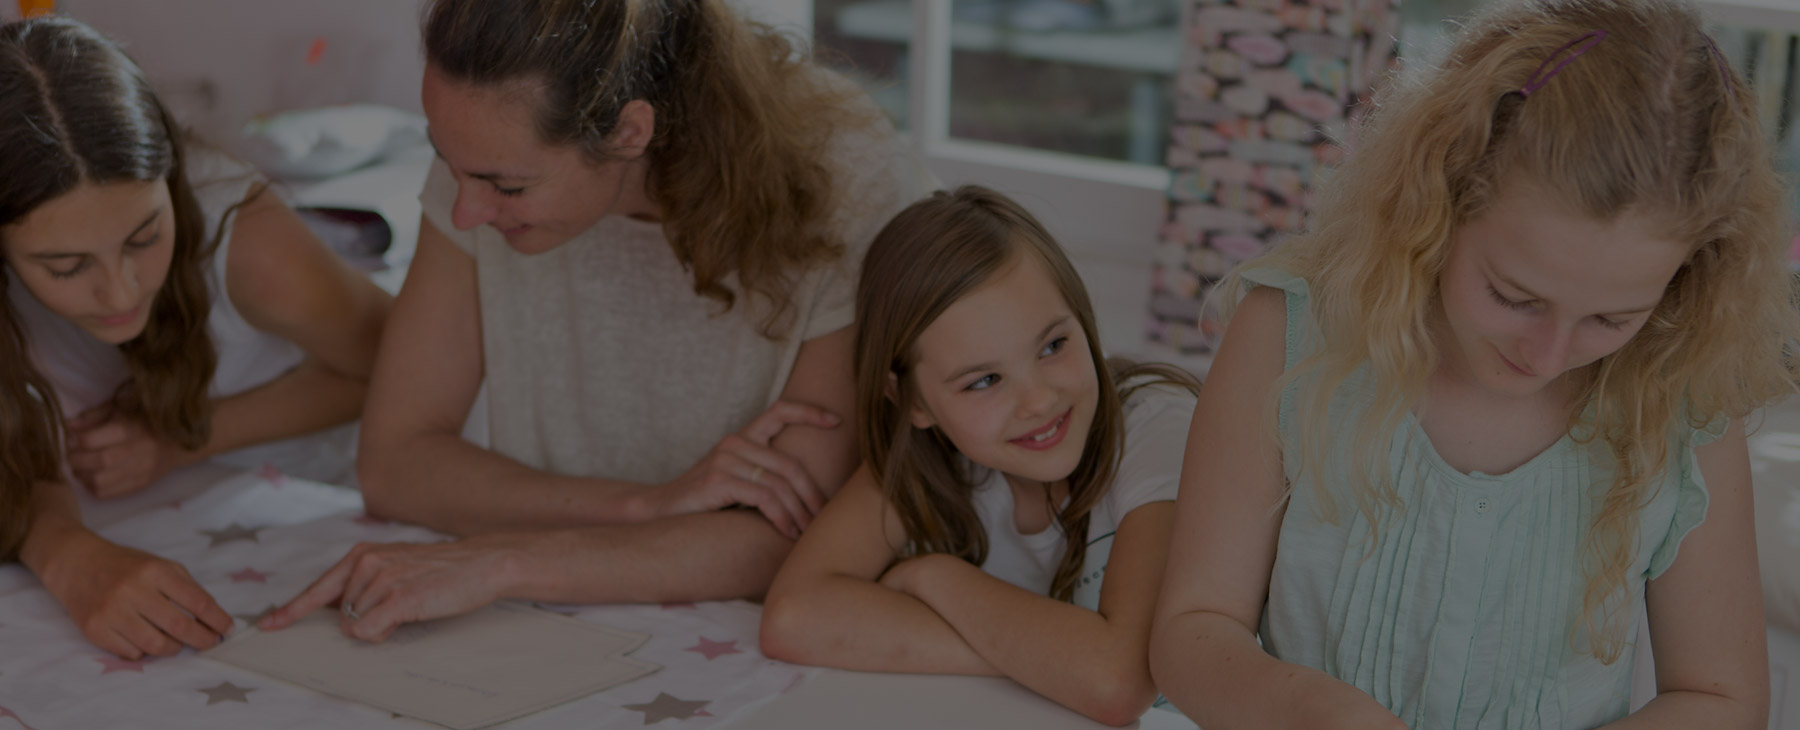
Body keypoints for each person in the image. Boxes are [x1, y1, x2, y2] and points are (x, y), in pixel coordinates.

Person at [1149, 1, 1797, 728]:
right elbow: (1192, 632)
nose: (1547, 355)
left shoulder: (1682, 402)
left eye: (1612, 319)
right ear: (1441, 200)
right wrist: (1312, 712)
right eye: (1513, 295)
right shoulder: (1290, 335)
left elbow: (1722, 700)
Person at [262, 0, 929, 641]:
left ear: (628, 132)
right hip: (556, 620)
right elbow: (394, 465)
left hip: (749, 633)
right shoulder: (485, 154)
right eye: (444, 158)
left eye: (508, 187)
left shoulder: (841, 174)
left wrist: (503, 563)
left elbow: (783, 536)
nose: (465, 213)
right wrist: (643, 505)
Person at [1, 16, 392, 660]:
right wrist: (63, 550)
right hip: (148, 525)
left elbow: (405, 371)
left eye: (145, 237)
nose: (123, 293)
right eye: (67, 267)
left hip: (313, 505)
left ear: (172, 183)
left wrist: (183, 438)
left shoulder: (247, 243)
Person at [760, 187, 1199, 726]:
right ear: (915, 402)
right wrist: (1051, 661)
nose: (1039, 400)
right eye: (985, 380)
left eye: (1052, 346)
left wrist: (935, 577)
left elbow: (1117, 682)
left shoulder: (1159, 427)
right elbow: (794, 616)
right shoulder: (932, 454)